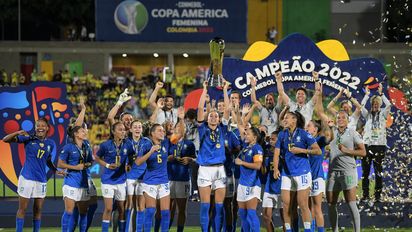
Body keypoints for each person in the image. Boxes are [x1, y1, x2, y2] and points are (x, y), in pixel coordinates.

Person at [2, 118, 64, 232]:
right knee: (23, 209)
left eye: (43, 125)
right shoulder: (28, 139)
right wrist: (17, 132)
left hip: (41, 179)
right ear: (35, 128)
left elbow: (48, 160)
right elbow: (5, 139)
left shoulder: (50, 143)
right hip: (27, 178)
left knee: (38, 209)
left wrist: (55, 170)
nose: (40, 127)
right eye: (38, 125)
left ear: (47, 128)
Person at [135, 107, 184, 232]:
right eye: (159, 131)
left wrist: (181, 119)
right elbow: (138, 162)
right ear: (152, 133)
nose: (162, 132)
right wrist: (150, 151)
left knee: (166, 213)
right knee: (150, 211)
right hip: (150, 181)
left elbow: (180, 135)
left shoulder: (166, 142)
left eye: (163, 130)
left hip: (163, 182)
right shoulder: (146, 144)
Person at [273, 111, 322, 232]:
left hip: (302, 172)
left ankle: (308, 230)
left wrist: (301, 150)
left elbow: (318, 151)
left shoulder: (304, 134)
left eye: (287, 118)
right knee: (286, 205)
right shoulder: (281, 135)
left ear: (294, 120)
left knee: (303, 204)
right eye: (284, 118)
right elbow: (276, 153)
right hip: (287, 173)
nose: (284, 120)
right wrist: (275, 168)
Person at [197, 80, 230, 232]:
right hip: (204, 169)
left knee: (219, 206)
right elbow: (199, 108)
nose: (213, 117)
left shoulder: (222, 129)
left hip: (219, 169)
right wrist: (204, 89)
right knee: (205, 206)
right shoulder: (202, 129)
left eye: (216, 116)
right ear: (207, 118)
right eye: (211, 115)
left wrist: (225, 90)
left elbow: (228, 110)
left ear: (219, 118)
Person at [326, 110, 366, 232]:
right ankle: (335, 230)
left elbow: (363, 152)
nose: (340, 119)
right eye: (338, 117)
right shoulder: (332, 132)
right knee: (330, 203)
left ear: (348, 120)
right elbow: (327, 144)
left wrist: (347, 151)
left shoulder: (353, 133)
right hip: (332, 172)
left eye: (343, 117)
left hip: (348, 171)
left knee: (351, 203)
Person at [95, 122, 136, 232]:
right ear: (113, 132)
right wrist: (107, 165)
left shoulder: (128, 144)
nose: (123, 132)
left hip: (121, 181)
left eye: (124, 130)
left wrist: (129, 164)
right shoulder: (105, 145)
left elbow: (132, 155)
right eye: (120, 129)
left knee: (121, 209)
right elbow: (97, 158)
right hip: (108, 180)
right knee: (108, 208)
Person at [58, 125, 93, 232]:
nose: (85, 132)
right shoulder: (68, 147)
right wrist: (75, 167)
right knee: (69, 211)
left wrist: (86, 165)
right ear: (76, 134)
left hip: (84, 183)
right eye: (82, 131)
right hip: (71, 182)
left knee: (83, 213)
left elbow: (91, 161)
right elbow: (60, 163)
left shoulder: (87, 145)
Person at [234, 109, 264, 232]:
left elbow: (258, 166)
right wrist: (239, 112)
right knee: (243, 215)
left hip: (252, 185)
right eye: (245, 134)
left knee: (251, 214)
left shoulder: (257, 148)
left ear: (255, 137)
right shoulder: (246, 147)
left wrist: (241, 163)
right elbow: (240, 125)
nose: (245, 135)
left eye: (248, 134)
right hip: (242, 184)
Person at [360, 84, 391, 202]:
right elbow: (360, 107)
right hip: (367, 146)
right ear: (372, 105)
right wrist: (367, 95)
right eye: (373, 104)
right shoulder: (367, 115)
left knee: (378, 172)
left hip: (379, 146)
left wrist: (382, 94)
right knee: (365, 172)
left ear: (379, 105)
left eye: (377, 104)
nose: (375, 106)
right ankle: (365, 194)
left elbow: (388, 105)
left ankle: (377, 196)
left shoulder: (383, 114)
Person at [167, 128, 196, 232]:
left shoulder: (189, 144)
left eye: (178, 131)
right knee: (167, 209)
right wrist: (168, 158)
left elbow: (196, 159)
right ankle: (166, 229)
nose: (175, 133)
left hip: (183, 179)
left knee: (182, 209)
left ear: (183, 132)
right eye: (175, 131)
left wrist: (190, 159)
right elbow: (161, 158)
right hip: (169, 179)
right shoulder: (168, 143)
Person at [125, 120, 151, 232]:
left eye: (139, 127)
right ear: (130, 129)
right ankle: (127, 230)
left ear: (142, 129)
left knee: (141, 206)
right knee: (129, 205)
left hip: (143, 177)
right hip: (129, 177)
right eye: (135, 127)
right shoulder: (126, 142)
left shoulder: (147, 142)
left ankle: (139, 230)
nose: (137, 129)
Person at [262, 131, 284, 232]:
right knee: (266, 217)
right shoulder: (266, 152)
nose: (271, 141)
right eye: (270, 139)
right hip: (269, 187)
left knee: (285, 218)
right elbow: (264, 171)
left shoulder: (283, 153)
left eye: (273, 139)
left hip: (282, 188)